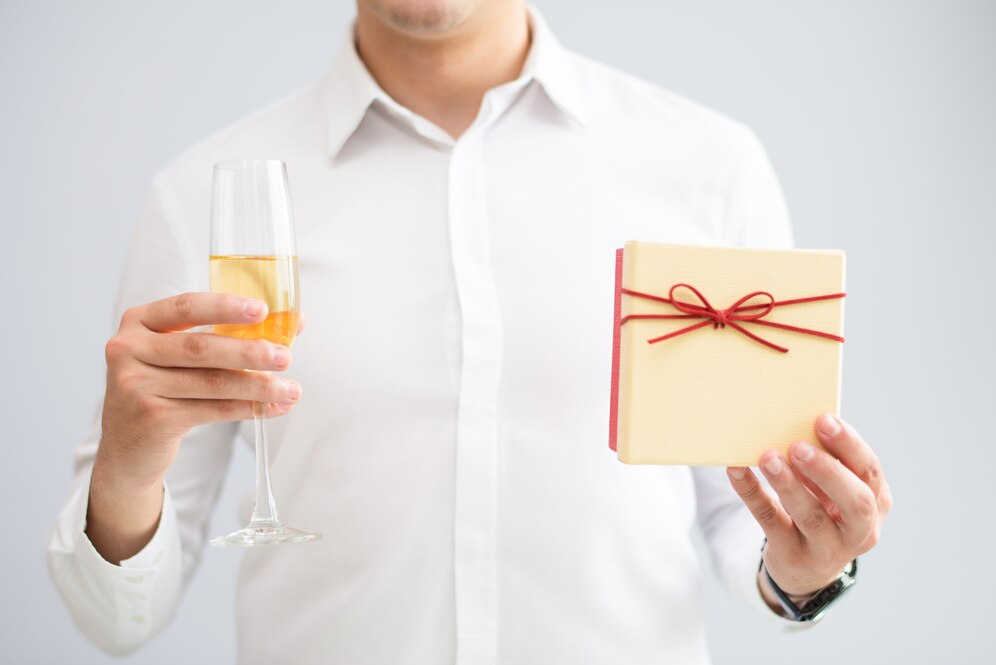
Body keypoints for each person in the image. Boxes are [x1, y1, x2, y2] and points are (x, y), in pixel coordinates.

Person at [47, 1, 892, 663]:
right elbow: (115, 621)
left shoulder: (709, 167)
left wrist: (806, 565)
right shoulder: (204, 196)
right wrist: (124, 464)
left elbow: (748, 514)